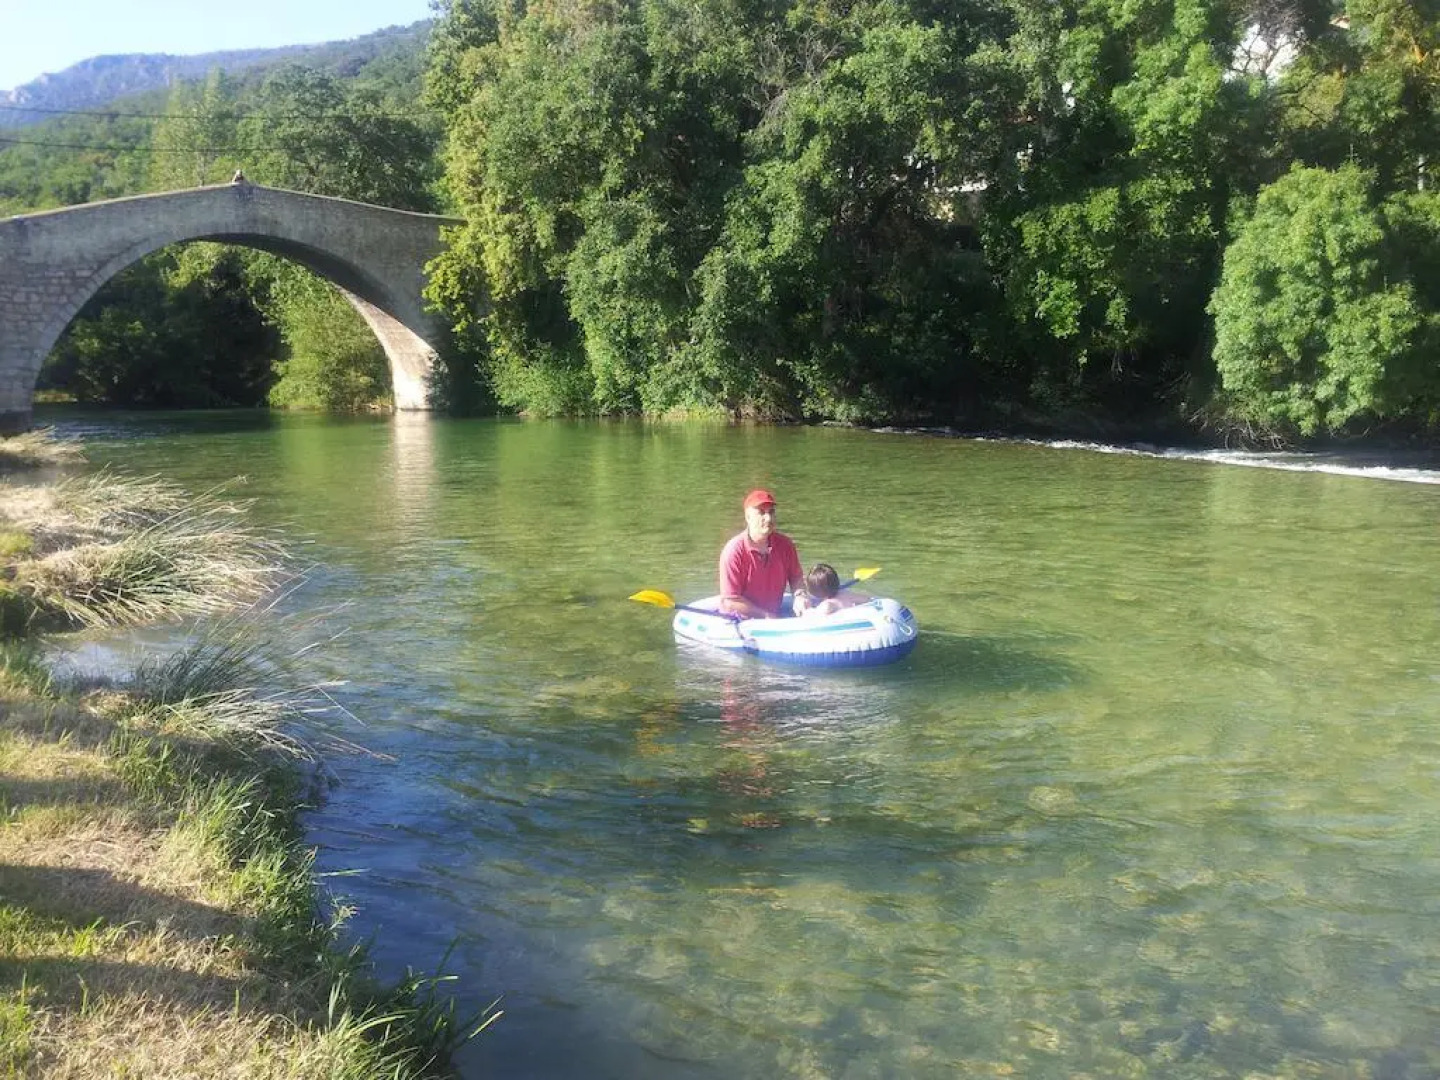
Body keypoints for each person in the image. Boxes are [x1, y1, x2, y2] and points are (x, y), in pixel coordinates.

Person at [718, 489, 805, 619]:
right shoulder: (733, 552)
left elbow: (796, 577)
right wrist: (765, 615)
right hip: (740, 622)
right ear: (748, 517)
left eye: (771, 512)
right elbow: (730, 601)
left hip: (773, 616)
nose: (768, 518)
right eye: (761, 512)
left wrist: (799, 596)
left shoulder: (785, 545)